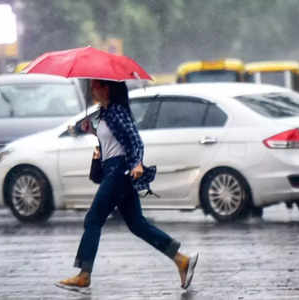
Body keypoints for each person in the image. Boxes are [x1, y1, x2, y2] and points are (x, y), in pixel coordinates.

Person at [56, 79, 198, 292]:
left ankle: (84, 274)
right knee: (137, 224)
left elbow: (135, 141)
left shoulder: (116, 112)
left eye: (95, 85)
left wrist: (136, 163)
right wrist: (91, 130)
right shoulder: (105, 113)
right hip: (114, 170)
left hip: (119, 171)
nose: (92, 89)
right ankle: (181, 260)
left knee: (93, 219)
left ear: (107, 89)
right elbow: (113, 138)